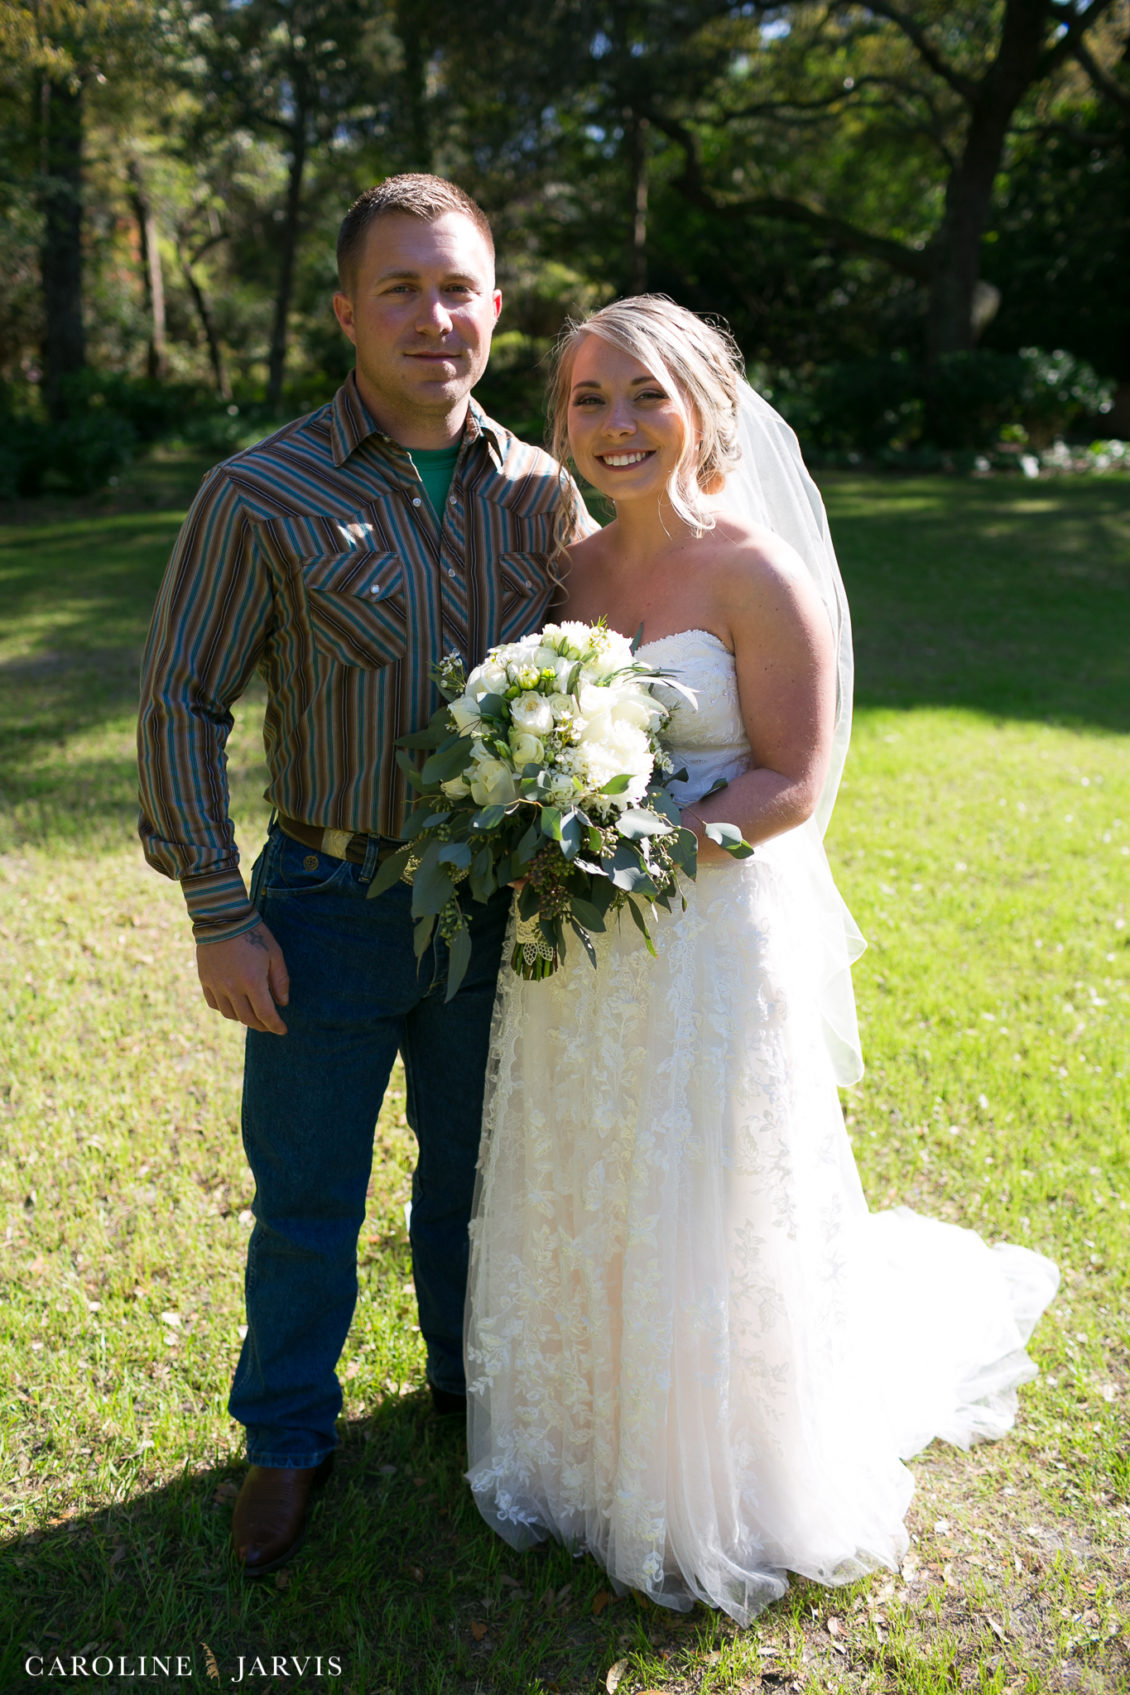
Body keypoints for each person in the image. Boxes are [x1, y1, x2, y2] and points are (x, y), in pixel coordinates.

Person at [464, 296, 1059, 1623]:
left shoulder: (754, 569)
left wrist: (641, 841)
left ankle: (722, 1463)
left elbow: (795, 777)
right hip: (576, 929)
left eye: (644, 396)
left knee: (703, 1176)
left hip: (707, 924)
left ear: (704, 405)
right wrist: (540, 820)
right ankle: (588, 1427)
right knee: (590, 1156)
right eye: (586, 401)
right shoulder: (566, 569)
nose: (616, 427)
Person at [137, 174, 591, 1577]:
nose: (431, 316)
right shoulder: (259, 490)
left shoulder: (541, 489)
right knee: (308, 1199)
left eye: (456, 288)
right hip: (324, 904)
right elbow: (177, 702)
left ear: (495, 309)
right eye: (399, 289)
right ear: (345, 309)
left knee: (473, 1177)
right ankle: (284, 1441)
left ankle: (469, 1394)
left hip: (490, 910)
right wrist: (222, 913)